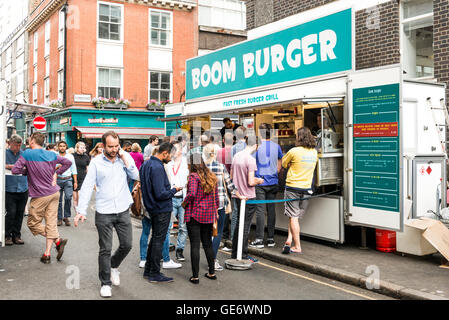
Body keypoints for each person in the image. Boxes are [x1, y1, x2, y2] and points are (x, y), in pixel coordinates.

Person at [74, 130, 139, 298]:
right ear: (103, 146)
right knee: (105, 249)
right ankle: (105, 283)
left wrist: (125, 157)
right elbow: (88, 186)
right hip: (104, 211)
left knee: (127, 244)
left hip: (123, 209)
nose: (114, 149)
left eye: (117, 146)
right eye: (111, 146)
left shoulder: (123, 159)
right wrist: (81, 210)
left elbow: (136, 174)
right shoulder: (96, 162)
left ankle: (113, 266)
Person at [12, 132, 71, 264]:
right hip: (54, 193)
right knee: (51, 223)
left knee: (32, 224)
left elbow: (16, 170)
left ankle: (57, 240)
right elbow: (67, 162)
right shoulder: (51, 154)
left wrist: (27, 171)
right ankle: (47, 253)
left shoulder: (27, 154)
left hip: (40, 195)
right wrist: (56, 173)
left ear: (32, 141)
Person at [140, 142, 183, 283]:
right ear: (165, 153)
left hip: (152, 208)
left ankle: (148, 270)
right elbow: (160, 193)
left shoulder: (146, 164)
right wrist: (174, 190)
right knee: (158, 240)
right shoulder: (157, 167)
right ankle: (154, 273)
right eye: (171, 156)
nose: (171, 158)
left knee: (155, 240)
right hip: (161, 208)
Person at [203, 143, 243, 271]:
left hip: (204, 205)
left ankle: (208, 256)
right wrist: (240, 195)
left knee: (207, 232)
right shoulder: (220, 167)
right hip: (219, 204)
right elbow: (230, 186)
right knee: (218, 233)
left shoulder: (202, 168)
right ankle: (213, 260)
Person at [182, 154, 219, 284]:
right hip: (208, 215)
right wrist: (215, 212)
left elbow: (191, 193)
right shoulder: (211, 177)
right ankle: (211, 272)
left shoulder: (193, 177)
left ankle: (195, 276)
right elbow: (216, 199)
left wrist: (184, 203)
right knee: (208, 243)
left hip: (195, 215)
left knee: (195, 245)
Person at [281, 127, 318, 254]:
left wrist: (292, 165)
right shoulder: (314, 152)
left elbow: (284, 164)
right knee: (294, 217)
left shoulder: (294, 151)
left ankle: (297, 246)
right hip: (307, 189)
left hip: (293, 187)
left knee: (293, 217)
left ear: (299, 137)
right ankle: (289, 239)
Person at [230, 135, 264, 263]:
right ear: (256, 145)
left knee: (239, 224)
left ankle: (235, 252)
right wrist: (259, 180)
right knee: (245, 227)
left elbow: (232, 177)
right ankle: (243, 254)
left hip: (238, 195)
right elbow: (250, 181)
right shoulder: (250, 160)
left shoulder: (236, 156)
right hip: (248, 197)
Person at [249, 123, 283, 249]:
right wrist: (275, 171)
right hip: (273, 182)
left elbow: (251, 164)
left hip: (260, 182)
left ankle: (259, 239)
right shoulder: (277, 146)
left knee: (260, 211)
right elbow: (280, 164)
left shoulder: (257, 147)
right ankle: (270, 239)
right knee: (271, 210)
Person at [165, 142, 189, 262]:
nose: (173, 150)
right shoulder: (168, 163)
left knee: (183, 227)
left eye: (176, 148)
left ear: (180, 150)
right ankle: (167, 248)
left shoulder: (186, 162)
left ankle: (180, 250)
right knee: (168, 225)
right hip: (171, 197)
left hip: (184, 199)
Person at [4, 135, 29, 246]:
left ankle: (17, 235)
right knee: (11, 213)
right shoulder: (4, 154)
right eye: (16, 145)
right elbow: (2, 166)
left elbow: (28, 167)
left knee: (20, 213)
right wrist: (13, 166)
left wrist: (10, 166)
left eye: (19, 145)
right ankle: (7, 235)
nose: (18, 147)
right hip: (9, 188)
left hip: (23, 188)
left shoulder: (24, 154)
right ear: (10, 143)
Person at [55, 141, 78, 227]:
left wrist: (75, 181)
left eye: (63, 146)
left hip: (68, 179)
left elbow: (74, 169)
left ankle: (66, 217)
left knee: (68, 197)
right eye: (60, 146)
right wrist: (57, 167)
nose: (62, 148)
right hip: (58, 179)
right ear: (58, 147)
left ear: (66, 147)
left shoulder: (70, 156)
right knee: (58, 200)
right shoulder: (55, 156)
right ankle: (60, 218)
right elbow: (50, 168)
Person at [72, 141, 90, 208]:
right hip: (74, 178)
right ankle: (77, 212)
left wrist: (89, 178)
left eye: (83, 147)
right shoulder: (72, 156)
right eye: (81, 147)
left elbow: (87, 168)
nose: (83, 149)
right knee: (75, 198)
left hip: (83, 178)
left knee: (80, 196)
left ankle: (80, 211)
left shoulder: (86, 157)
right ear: (77, 148)